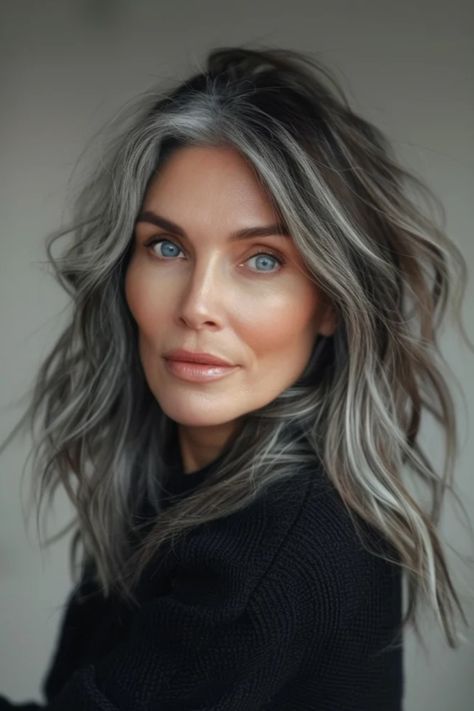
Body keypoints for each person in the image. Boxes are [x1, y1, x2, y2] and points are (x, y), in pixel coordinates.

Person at [0, 45, 471, 711]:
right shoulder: (172, 480)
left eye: (261, 259)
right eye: (167, 246)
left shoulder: (281, 541)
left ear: (332, 302)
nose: (196, 304)